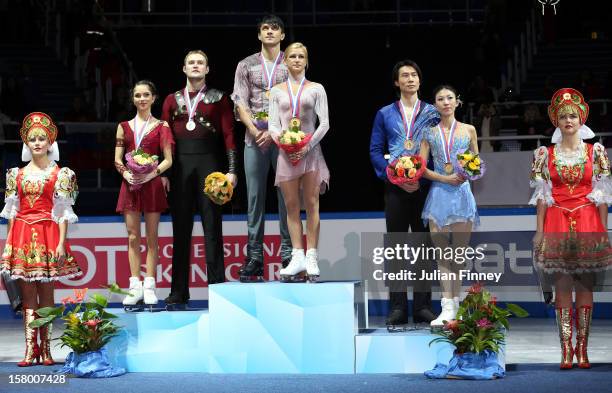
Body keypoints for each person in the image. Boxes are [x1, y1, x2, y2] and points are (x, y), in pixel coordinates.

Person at [530, 88, 612, 369]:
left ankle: (583, 349)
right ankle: (566, 349)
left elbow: (602, 195)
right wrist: (539, 231)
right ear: (556, 121)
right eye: (563, 116)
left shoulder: (596, 151)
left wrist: (603, 229)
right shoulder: (544, 154)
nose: (568, 120)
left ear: (581, 119)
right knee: (563, 286)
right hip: (556, 221)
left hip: (589, 221)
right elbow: (542, 196)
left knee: (585, 285)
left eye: (573, 116)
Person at [1, 112, 81, 366]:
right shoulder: (15, 174)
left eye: (42, 138)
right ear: (26, 142)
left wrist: (60, 244)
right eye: (32, 138)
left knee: (47, 293)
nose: (37, 142)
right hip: (22, 235)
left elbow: (63, 213)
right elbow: (12, 213)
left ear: (50, 142)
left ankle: (45, 350)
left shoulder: (62, 174)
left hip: (48, 234)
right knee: (27, 296)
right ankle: (29, 350)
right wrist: (8, 244)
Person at [161, 50, 238, 307]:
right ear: (184, 68)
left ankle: (217, 289)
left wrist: (232, 170)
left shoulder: (219, 98)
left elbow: (228, 135)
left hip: (210, 168)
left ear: (207, 69)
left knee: (213, 230)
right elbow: (164, 140)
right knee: (180, 231)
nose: (196, 66)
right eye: (191, 62)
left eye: (200, 63)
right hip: (180, 167)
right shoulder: (172, 100)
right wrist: (164, 173)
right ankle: (178, 292)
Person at [369, 59, 439, 326]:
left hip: (425, 186)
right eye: (405, 76)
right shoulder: (384, 113)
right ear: (396, 82)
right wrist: (392, 174)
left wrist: (424, 175)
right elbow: (375, 150)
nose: (410, 79)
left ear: (420, 81)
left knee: (424, 246)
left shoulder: (432, 112)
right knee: (396, 247)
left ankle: (422, 306)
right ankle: (397, 307)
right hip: (395, 187)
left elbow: (440, 147)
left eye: (414, 75)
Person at [231, 14, 292, 281]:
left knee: (286, 199)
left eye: (274, 28)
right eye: (265, 28)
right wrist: (256, 132)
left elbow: (297, 102)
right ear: (259, 35)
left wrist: (276, 132)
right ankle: (255, 258)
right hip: (253, 140)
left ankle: (289, 255)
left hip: (283, 140)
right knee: (254, 200)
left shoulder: (291, 63)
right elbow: (239, 104)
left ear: (282, 35)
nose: (269, 32)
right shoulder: (245, 65)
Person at [419, 85, 480, 328]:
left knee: (459, 254)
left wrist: (468, 173)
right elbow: (420, 167)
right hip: (439, 195)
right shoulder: (429, 132)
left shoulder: (469, 130)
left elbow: (477, 163)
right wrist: (446, 178)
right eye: (440, 99)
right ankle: (447, 308)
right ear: (435, 105)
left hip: (463, 195)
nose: (445, 102)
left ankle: (459, 305)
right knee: (443, 255)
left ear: (458, 102)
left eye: (450, 98)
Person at [268, 42, 329, 282]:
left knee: (312, 204)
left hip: (310, 152)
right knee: (291, 207)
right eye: (292, 56)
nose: (296, 59)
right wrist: (283, 143)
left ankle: (312, 255)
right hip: (286, 154)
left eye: (300, 56)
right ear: (285, 61)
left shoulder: (316, 88)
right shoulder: (276, 91)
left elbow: (324, 123)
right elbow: (273, 124)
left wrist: (306, 147)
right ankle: (297, 255)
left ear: (306, 61)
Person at [114, 80, 174, 308]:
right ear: (133, 99)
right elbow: (117, 159)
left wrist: (151, 174)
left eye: (146, 94)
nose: (141, 99)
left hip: (151, 184)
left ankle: (150, 286)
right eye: (137, 95)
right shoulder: (123, 126)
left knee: (151, 238)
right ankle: (134, 286)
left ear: (153, 98)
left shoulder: (162, 126)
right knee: (132, 237)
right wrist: (126, 174)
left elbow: (168, 159)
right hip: (129, 184)